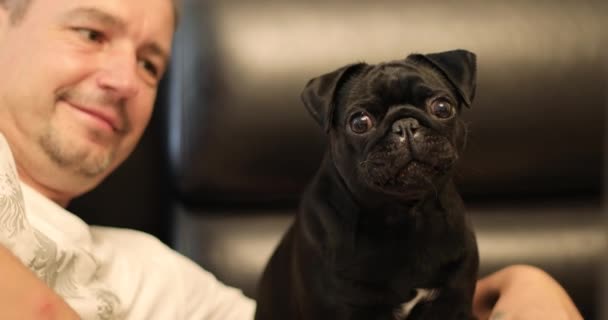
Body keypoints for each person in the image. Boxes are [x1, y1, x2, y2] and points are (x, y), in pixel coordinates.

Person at [0, 0, 584, 319]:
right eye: (90, 32)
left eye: (152, 64)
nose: (125, 79)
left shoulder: (158, 276)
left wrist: (524, 283)